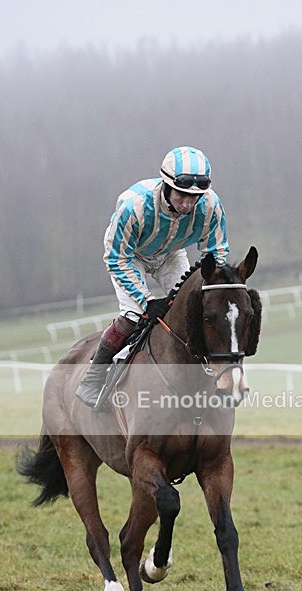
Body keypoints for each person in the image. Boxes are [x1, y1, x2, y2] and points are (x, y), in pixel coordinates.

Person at [76, 145, 230, 408]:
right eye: (182, 195)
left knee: (195, 308)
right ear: (167, 185)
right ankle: (93, 378)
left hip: (171, 253)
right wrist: (146, 299)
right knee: (135, 315)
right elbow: (116, 258)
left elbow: (217, 252)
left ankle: (209, 377)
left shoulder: (211, 206)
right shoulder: (134, 206)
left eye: (195, 197)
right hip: (129, 255)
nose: (188, 204)